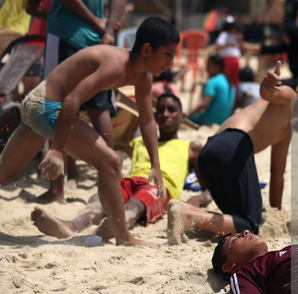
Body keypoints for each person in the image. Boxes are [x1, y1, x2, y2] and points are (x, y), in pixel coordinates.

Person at [0, 16, 179, 247]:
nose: (172, 62)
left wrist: (155, 164)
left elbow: (147, 121)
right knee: (110, 162)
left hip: (38, 103)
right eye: (168, 53)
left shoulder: (143, 76)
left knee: (5, 174)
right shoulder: (115, 65)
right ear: (147, 49)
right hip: (46, 107)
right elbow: (72, 101)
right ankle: (124, 237)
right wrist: (56, 150)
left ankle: (123, 236)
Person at [166, 62, 298, 244]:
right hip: (234, 146)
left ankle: (182, 210)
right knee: (251, 226)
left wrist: (275, 215)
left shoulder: (285, 131)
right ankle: (188, 215)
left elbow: (277, 176)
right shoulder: (289, 95)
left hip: (210, 154)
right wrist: (269, 82)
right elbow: (268, 93)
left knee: (238, 219)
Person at [30, 93, 202, 240]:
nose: (165, 114)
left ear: (183, 117)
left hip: (158, 188)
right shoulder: (139, 141)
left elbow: (207, 188)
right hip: (129, 181)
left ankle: (107, 229)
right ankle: (73, 226)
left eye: (171, 110)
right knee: (98, 199)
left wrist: (194, 202)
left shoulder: (191, 147)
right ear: (155, 116)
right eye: (160, 110)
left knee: (136, 205)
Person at [34, 0, 126, 204]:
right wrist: (108, 29)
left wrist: (96, 23)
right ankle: (110, 183)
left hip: (67, 35)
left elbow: (33, 7)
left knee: (54, 103)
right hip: (99, 41)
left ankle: (56, 188)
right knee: (98, 107)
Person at [188, 55, 235, 126]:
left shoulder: (213, 81)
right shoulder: (230, 83)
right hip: (224, 120)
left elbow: (205, 104)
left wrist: (188, 115)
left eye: (209, 66)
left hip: (210, 119)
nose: (207, 69)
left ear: (217, 67)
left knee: (191, 118)